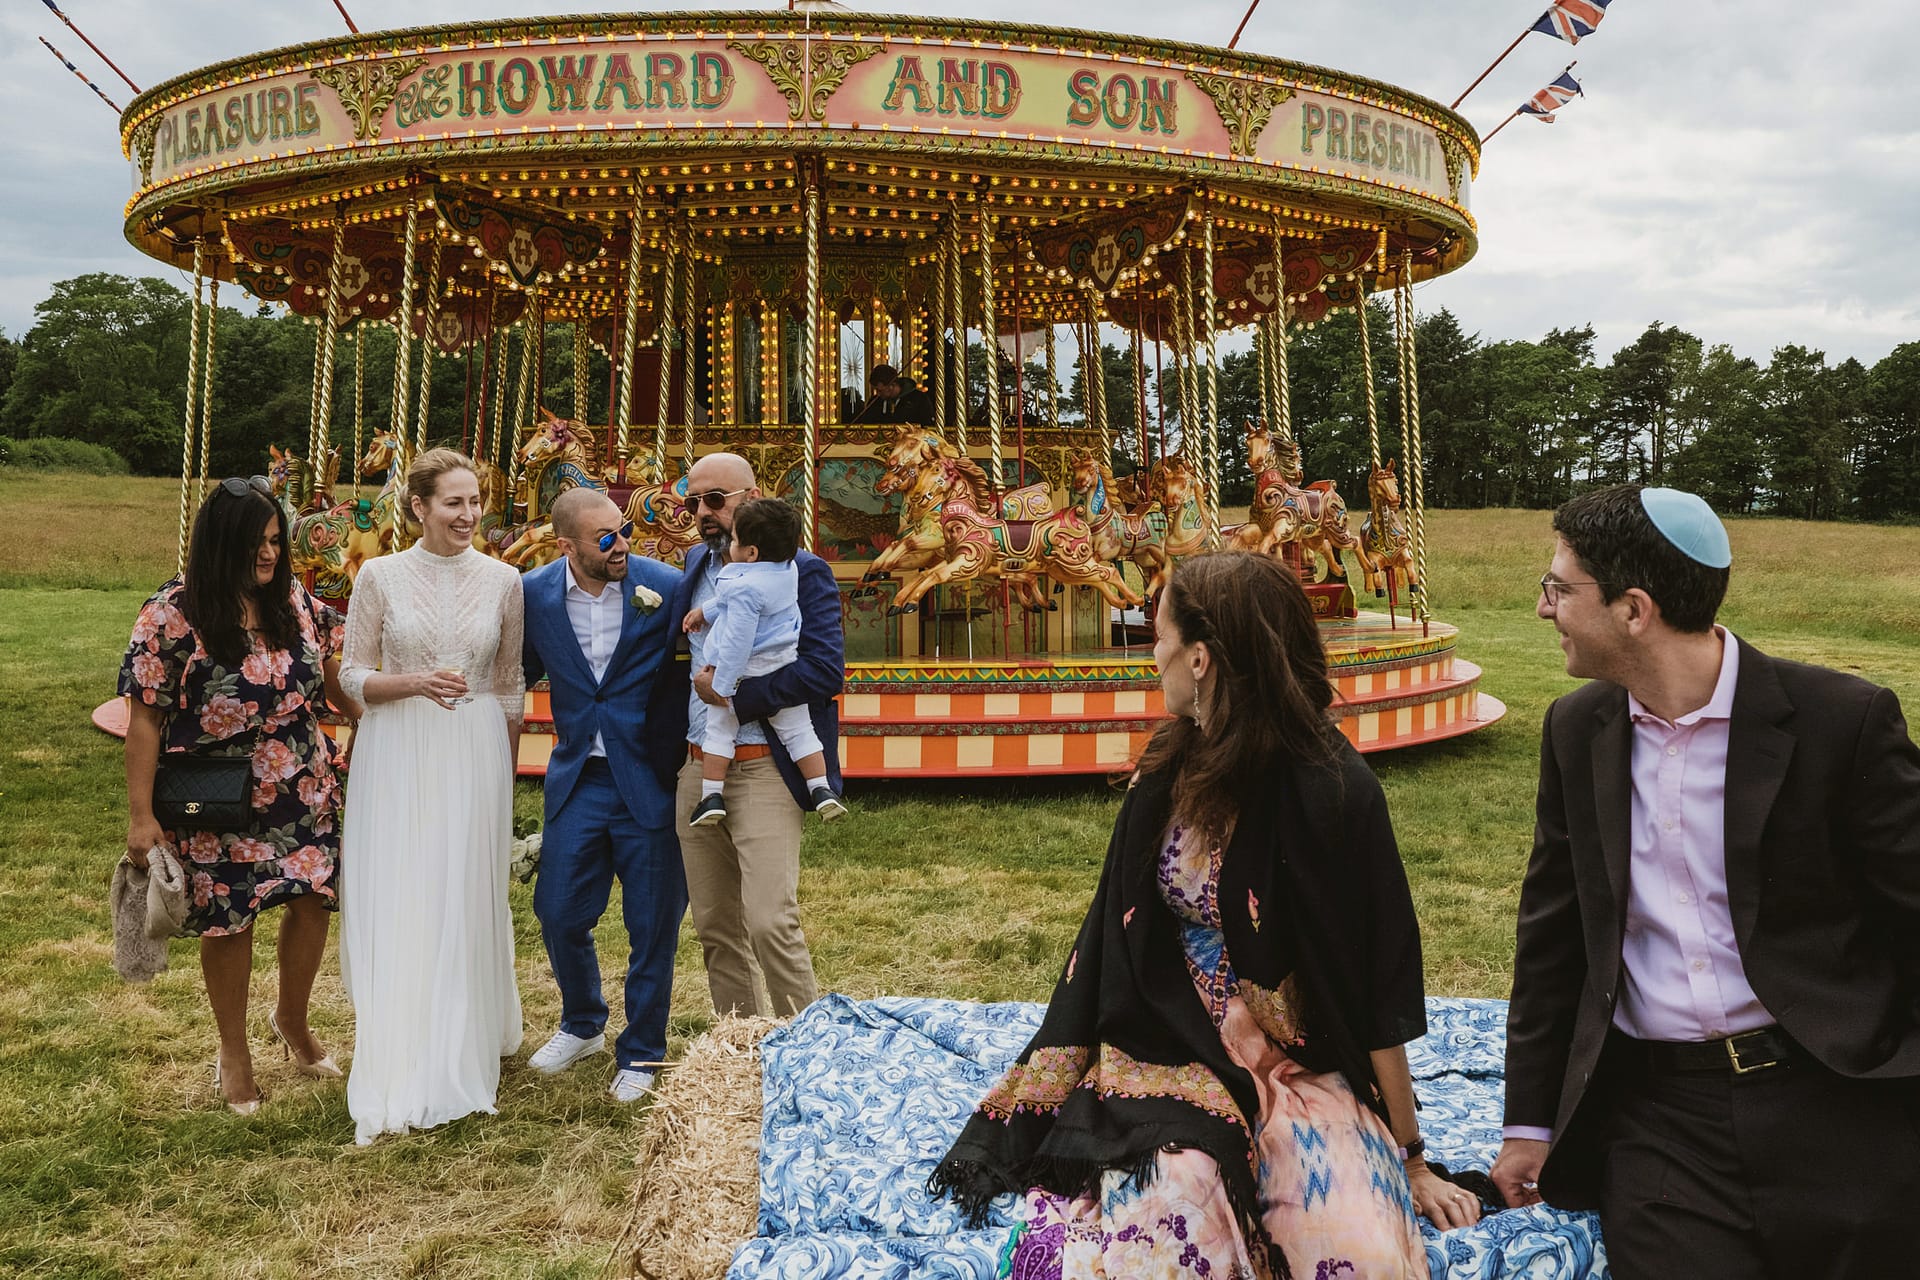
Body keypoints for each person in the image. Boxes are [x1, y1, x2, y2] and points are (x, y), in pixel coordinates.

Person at [932, 551, 1477, 1278]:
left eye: (1156, 636)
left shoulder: (1331, 789)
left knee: (1359, 1254)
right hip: (1167, 1033)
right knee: (1175, 1208)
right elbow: (1116, 934)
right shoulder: (1169, 766)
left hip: (1295, 1058)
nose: (1147, 653)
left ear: (1199, 657)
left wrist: (1411, 1159)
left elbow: (1380, 983)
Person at [1491, 485, 1920, 1278]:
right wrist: (1529, 1124)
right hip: (1662, 1120)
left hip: (1837, 1093)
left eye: (1560, 588)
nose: (1544, 608)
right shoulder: (1576, 730)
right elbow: (1553, 935)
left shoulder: (1842, 721)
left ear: (1634, 609)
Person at [120, 476, 356, 1114]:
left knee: (312, 900)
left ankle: (293, 1021)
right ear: (220, 544)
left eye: (277, 540)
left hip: (303, 784)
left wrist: (379, 717)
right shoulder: (171, 612)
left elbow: (336, 683)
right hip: (218, 797)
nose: (270, 554)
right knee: (229, 917)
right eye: (257, 543)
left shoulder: (295, 601)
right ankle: (233, 1051)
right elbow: (143, 718)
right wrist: (142, 818)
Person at [338, 448, 525, 1145]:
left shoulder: (506, 581)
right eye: (454, 502)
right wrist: (413, 683)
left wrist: (503, 781)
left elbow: (508, 690)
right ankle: (405, 1046)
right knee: (407, 890)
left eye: (475, 501)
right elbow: (353, 677)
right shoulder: (379, 577)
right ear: (418, 507)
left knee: (464, 889)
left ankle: (465, 1035)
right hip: (398, 750)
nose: (469, 514)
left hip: (473, 750)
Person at [520, 487, 689, 1103]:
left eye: (622, 531)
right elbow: (513, 672)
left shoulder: (665, 585)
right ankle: (583, 1021)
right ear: (566, 546)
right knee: (558, 911)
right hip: (578, 778)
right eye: (605, 538)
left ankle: (642, 1051)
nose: (621, 545)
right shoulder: (533, 593)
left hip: (650, 777)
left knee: (652, 924)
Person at [661, 452, 843, 1018]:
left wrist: (734, 698)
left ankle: (804, 1049)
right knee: (715, 925)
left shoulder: (801, 570)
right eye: (693, 501)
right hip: (697, 764)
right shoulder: (694, 565)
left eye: (716, 499)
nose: (703, 511)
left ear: (751, 496)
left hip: (764, 762)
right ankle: (740, 1051)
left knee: (770, 920)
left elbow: (823, 670)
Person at [682, 497, 847, 828]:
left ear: (751, 552)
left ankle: (711, 795)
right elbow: (729, 599)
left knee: (718, 731)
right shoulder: (785, 570)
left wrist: (724, 688)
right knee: (800, 732)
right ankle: (821, 788)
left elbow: (737, 641)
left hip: (747, 670)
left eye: (737, 539)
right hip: (781, 659)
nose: (731, 544)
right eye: (692, 502)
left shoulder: (748, 584)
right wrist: (705, 610)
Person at [851, 364, 934, 426]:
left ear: (892, 385)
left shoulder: (919, 399)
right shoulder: (875, 402)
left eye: (880, 390)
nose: (878, 394)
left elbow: (927, 426)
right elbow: (867, 424)